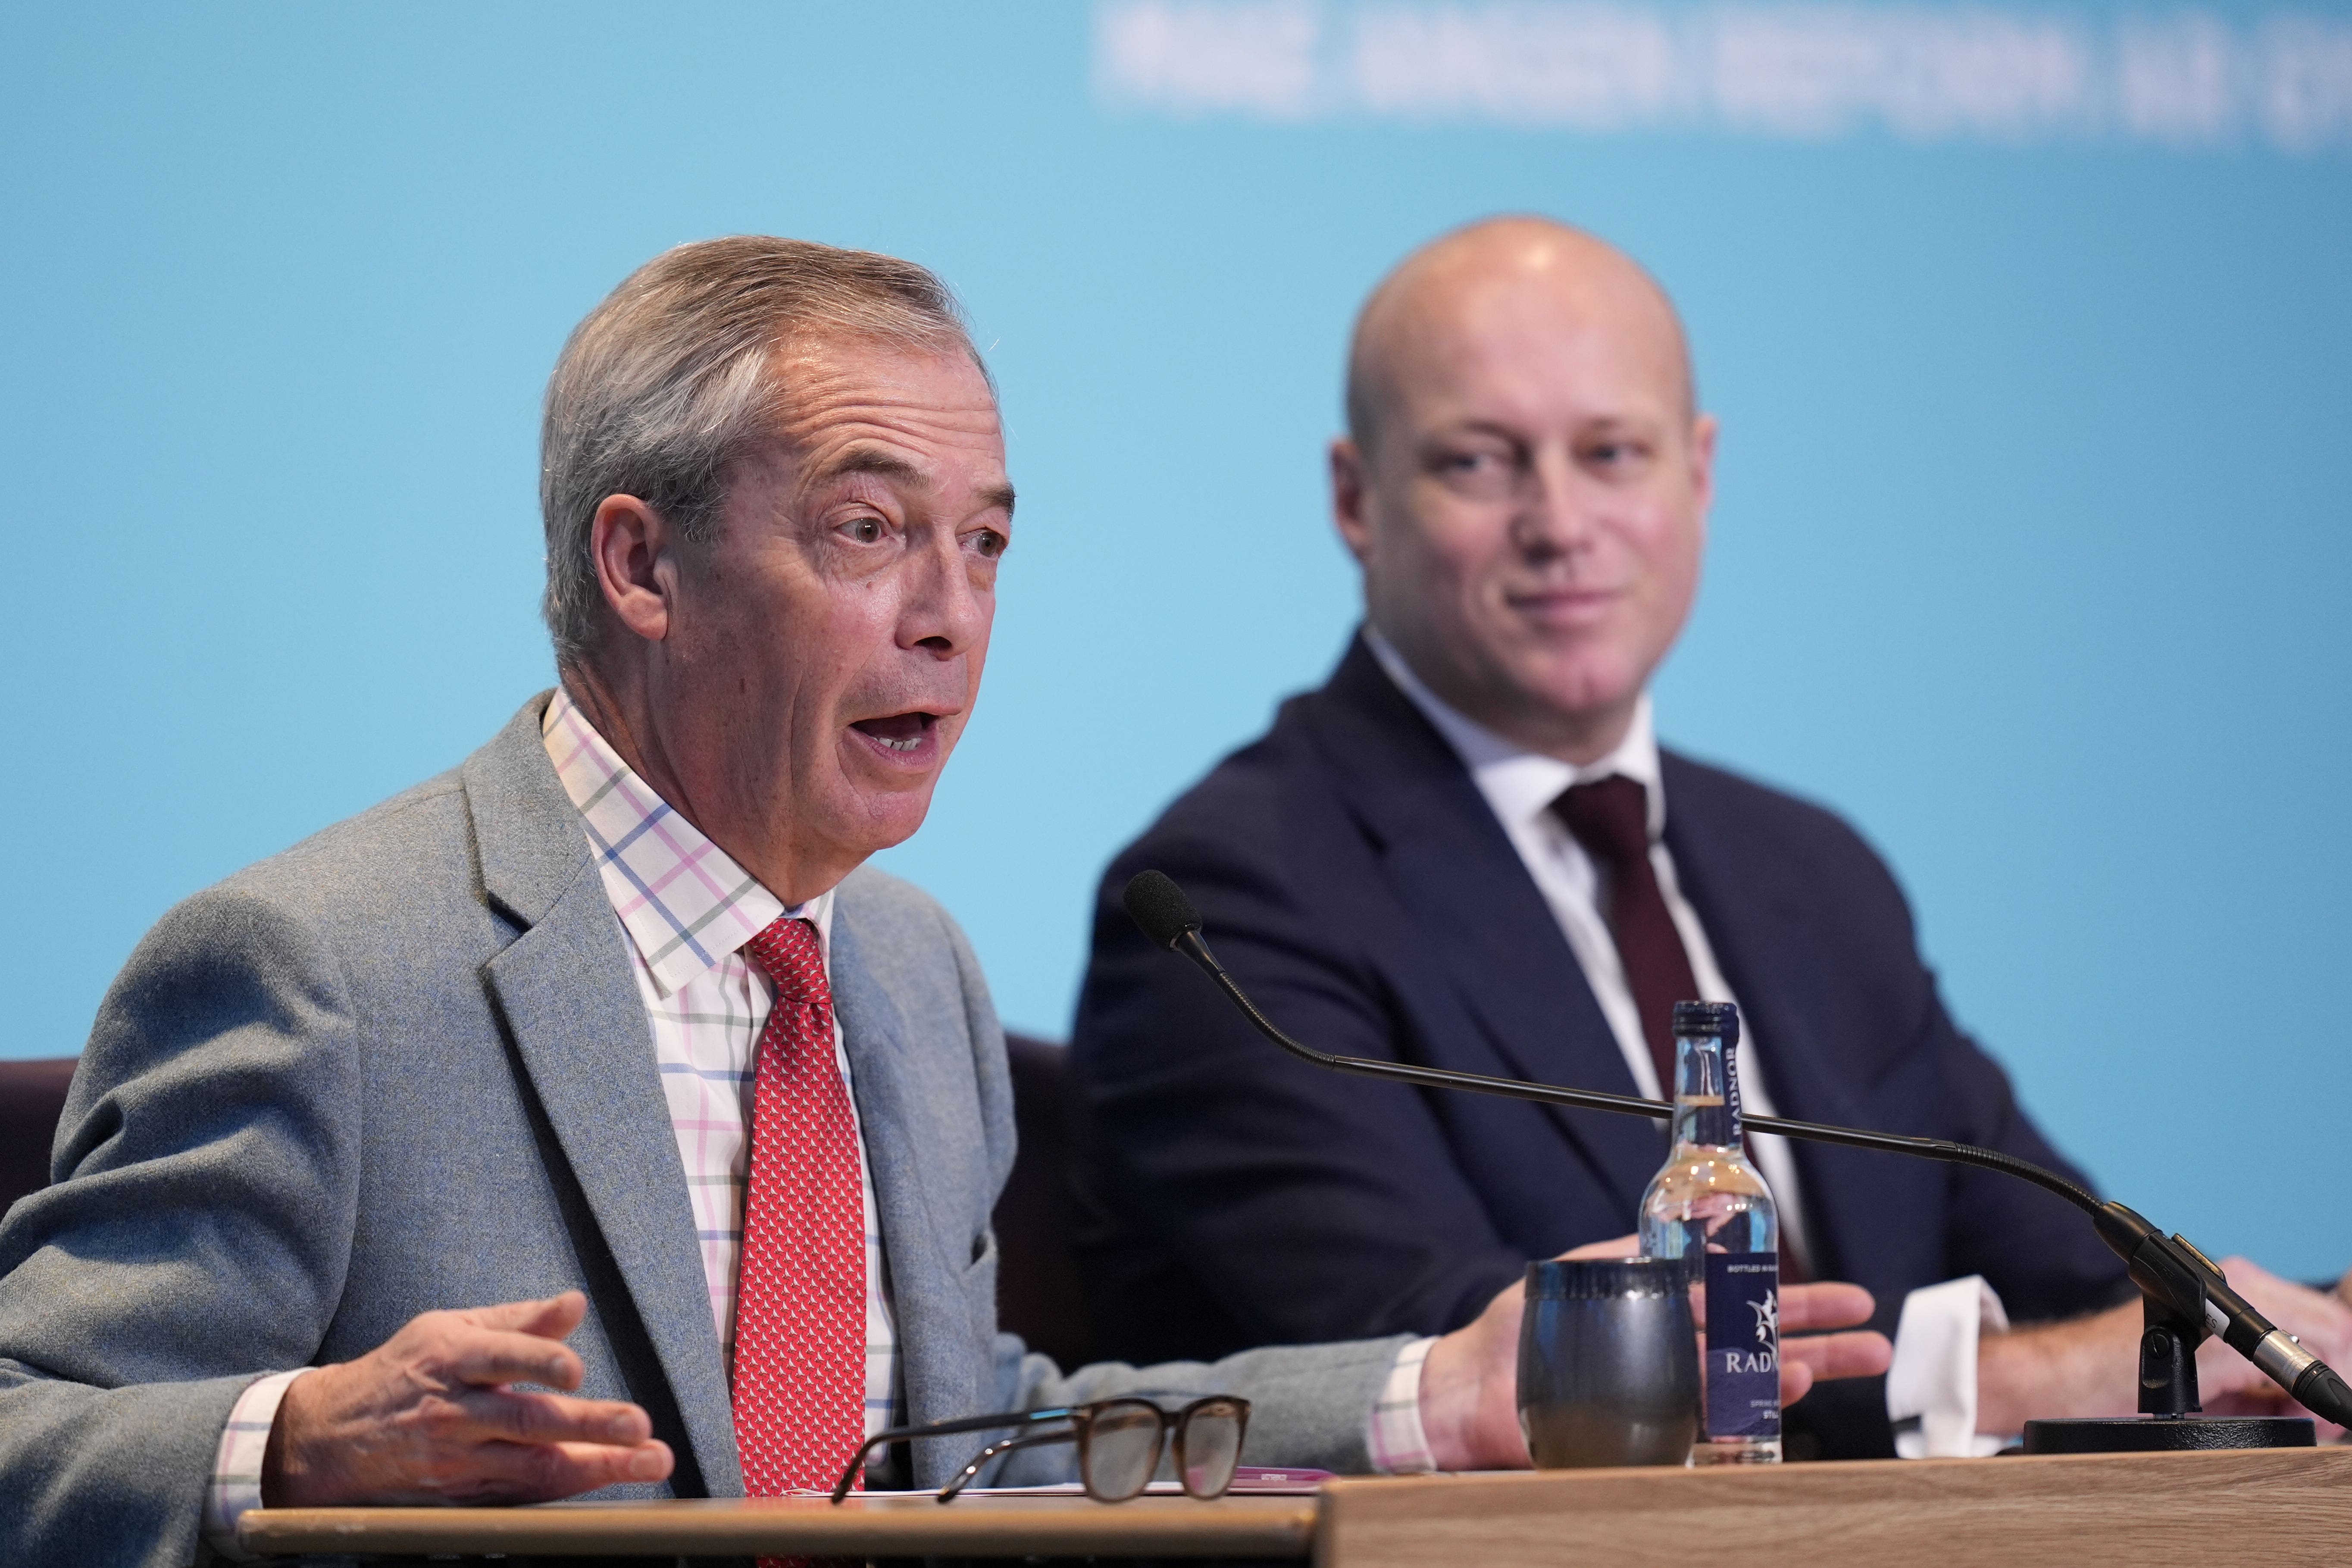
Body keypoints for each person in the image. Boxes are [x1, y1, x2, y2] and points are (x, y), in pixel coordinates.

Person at [0, 235, 1892, 1566]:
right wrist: (292, 1440)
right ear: (642, 565)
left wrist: (1428, 1399)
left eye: (984, 543)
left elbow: (969, 1446)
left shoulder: (905, 973)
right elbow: (29, 1435)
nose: (951, 615)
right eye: (868, 530)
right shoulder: (326, 967)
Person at [1069, 216, 2352, 1460]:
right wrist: (2000, 1382)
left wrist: (2271, 1336)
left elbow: (2080, 1282)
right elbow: (1482, 1372)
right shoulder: (1236, 900)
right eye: (1479, 462)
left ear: (1700, 473)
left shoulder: (1811, 872)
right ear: (1357, 499)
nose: (1560, 522)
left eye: (1612, 453)